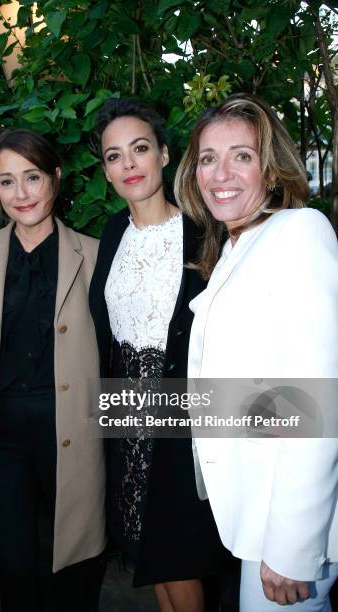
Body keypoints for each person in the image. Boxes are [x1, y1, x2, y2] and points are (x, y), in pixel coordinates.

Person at [174, 93, 338, 611]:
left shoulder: (300, 232)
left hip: (290, 527)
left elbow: (317, 399)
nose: (221, 172)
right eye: (207, 158)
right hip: (260, 513)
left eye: (241, 155)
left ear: (270, 170)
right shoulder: (238, 244)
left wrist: (292, 547)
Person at [0, 129, 106, 611]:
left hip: (72, 428)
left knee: (73, 564)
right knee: (13, 564)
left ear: (56, 176)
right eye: (6, 182)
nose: (22, 193)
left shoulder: (93, 254)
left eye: (32, 177)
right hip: (0, 434)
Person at [89, 98, 238, 612]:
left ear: (164, 154)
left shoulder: (204, 233)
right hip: (125, 409)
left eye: (139, 149)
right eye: (114, 156)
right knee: (145, 551)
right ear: (105, 170)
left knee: (180, 554)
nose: (128, 164)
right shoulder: (111, 234)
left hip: (181, 415)